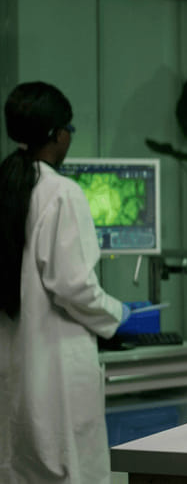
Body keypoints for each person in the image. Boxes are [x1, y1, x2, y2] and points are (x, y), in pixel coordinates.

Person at [0, 81, 130, 484]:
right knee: (69, 467)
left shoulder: (7, 184)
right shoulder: (60, 193)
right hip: (55, 367)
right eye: (69, 128)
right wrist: (119, 313)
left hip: (14, 364)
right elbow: (73, 285)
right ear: (58, 134)